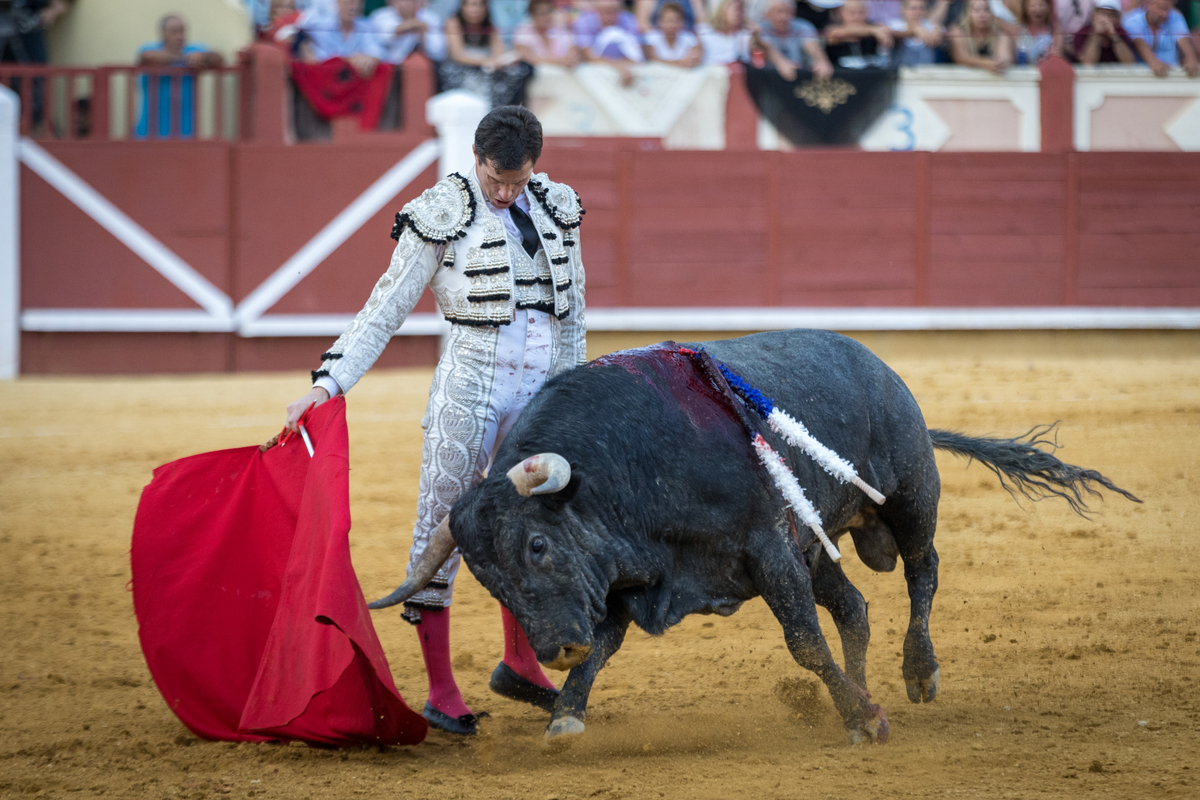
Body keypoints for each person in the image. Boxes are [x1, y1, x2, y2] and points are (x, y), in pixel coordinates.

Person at [271, 106, 586, 736]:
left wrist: (573, 398)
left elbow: (573, 311)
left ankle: (522, 665)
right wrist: (328, 384)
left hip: (542, 390)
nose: (506, 192)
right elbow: (384, 308)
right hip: (470, 385)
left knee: (539, 524)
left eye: (519, 180)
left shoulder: (557, 204)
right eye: (497, 178)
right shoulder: (441, 211)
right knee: (444, 525)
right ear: (475, 156)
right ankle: (442, 691)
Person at [136, 14, 223, 138]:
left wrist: (204, 57)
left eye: (182, 31)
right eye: (174, 32)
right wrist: (184, 59)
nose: (180, 36)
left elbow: (219, 57)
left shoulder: (193, 49)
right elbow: (146, 57)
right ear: (163, 33)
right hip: (149, 133)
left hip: (186, 134)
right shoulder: (150, 48)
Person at [440, 0, 535, 105]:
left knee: (520, 70)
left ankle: (509, 111)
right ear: (462, 7)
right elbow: (457, 55)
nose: (476, 9)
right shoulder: (453, 22)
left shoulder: (489, 25)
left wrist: (510, 58)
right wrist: (487, 61)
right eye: (472, 5)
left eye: (481, 5)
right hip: (461, 68)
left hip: (486, 67)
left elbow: (499, 53)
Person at [299, 0, 384, 76]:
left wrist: (371, 58)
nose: (352, 7)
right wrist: (350, 60)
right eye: (347, 2)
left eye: (356, 2)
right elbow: (320, 58)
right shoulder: (322, 26)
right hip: (328, 83)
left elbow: (377, 51)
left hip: (357, 83)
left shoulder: (367, 26)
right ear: (337, 3)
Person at [753, 0, 834, 79]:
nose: (784, 17)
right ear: (767, 14)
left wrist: (820, 61)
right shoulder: (761, 29)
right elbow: (766, 47)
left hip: (798, 80)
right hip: (767, 81)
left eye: (788, 11)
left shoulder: (803, 27)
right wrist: (781, 62)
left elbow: (813, 47)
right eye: (779, 12)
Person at [1123, 0, 1199, 77]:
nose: (1165, 14)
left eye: (1167, 9)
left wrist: (1191, 58)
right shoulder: (1132, 20)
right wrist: (1153, 61)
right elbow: (1140, 43)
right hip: (1141, 77)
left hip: (1172, 77)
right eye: (1161, 8)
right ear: (1148, 4)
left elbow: (1184, 41)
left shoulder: (1175, 17)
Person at [948, 0, 1014, 72]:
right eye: (976, 10)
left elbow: (1006, 58)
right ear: (968, 12)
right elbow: (961, 58)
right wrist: (984, 63)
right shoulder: (958, 32)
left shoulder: (999, 34)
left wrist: (1000, 64)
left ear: (992, 13)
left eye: (986, 10)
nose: (982, 15)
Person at [823, 0, 894, 67]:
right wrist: (872, 31)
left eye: (861, 12)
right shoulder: (832, 27)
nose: (856, 17)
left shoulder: (875, 26)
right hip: (841, 77)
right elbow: (833, 34)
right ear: (841, 13)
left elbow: (888, 33)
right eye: (852, 13)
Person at [513, 0, 580, 65]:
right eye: (541, 13)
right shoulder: (523, 32)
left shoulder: (561, 31)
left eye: (549, 12)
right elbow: (525, 59)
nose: (546, 17)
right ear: (532, 15)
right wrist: (561, 61)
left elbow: (573, 58)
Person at [692, 0, 752, 65]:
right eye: (736, 9)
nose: (739, 14)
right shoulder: (704, 31)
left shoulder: (745, 34)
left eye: (742, 10)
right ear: (724, 10)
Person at [888, 0, 944, 64]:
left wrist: (938, 32)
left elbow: (941, 34)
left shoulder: (930, 25)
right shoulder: (894, 24)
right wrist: (913, 31)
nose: (918, 12)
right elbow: (892, 35)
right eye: (913, 8)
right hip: (899, 70)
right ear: (903, 9)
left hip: (927, 70)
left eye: (921, 8)